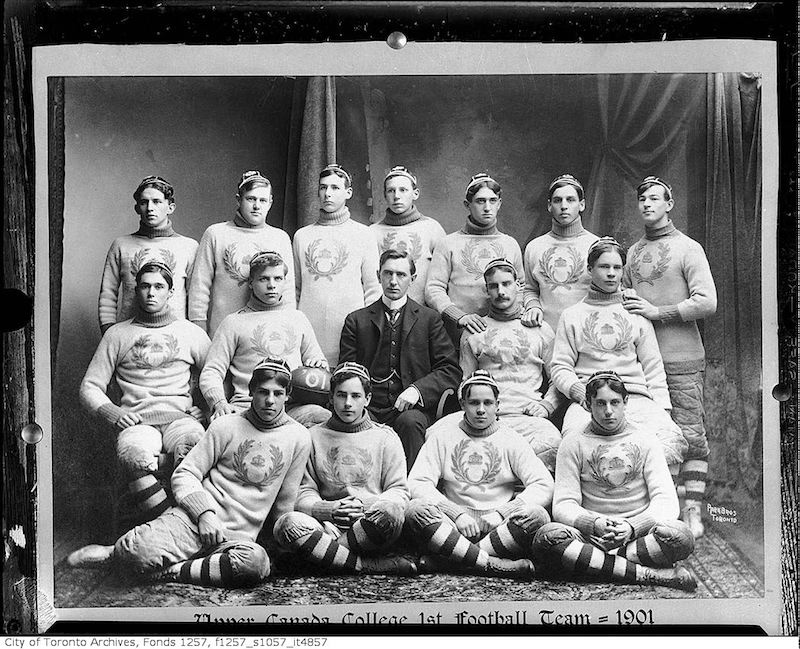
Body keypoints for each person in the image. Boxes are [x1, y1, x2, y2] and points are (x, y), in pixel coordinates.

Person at [68, 358, 312, 589]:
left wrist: (282, 547)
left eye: (278, 394)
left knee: (255, 565)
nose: (270, 400)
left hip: (237, 539)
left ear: (287, 395)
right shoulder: (226, 425)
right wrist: (205, 514)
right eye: (263, 392)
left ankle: (170, 571)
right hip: (196, 521)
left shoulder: (299, 437)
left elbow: (285, 503)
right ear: (251, 391)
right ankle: (116, 552)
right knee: (134, 555)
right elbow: (185, 473)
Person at [532, 371, 697, 591]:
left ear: (625, 402)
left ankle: (597, 564)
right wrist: (595, 524)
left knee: (681, 536)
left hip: (636, 535)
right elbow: (563, 504)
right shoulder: (573, 443)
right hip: (591, 536)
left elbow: (666, 500)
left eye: (615, 402)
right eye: (600, 403)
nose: (608, 411)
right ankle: (650, 574)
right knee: (546, 538)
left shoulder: (646, 439)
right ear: (587, 404)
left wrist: (631, 527)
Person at [622, 176, 717, 538]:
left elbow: (707, 301)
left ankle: (691, 512)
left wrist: (657, 312)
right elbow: (628, 301)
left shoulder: (688, 248)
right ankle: (664, 510)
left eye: (655, 198)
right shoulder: (631, 252)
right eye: (642, 198)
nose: (647, 204)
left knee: (690, 436)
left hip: (680, 356)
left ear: (669, 204)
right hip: (639, 363)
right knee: (653, 437)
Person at [80, 262, 211, 522]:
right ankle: (168, 523)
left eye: (159, 286)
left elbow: (216, 375)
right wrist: (112, 412)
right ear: (136, 291)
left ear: (170, 293)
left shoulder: (190, 333)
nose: (151, 293)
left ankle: (174, 525)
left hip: (180, 419)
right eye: (145, 286)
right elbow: (89, 386)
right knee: (133, 457)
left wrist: (206, 408)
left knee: (196, 448)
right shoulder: (117, 334)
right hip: (138, 422)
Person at [549, 237, 688, 474]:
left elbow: (653, 367)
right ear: (590, 269)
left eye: (617, 267)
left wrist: (662, 410)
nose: (611, 274)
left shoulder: (636, 312)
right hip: (589, 401)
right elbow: (560, 367)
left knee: (670, 441)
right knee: (575, 446)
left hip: (635, 398)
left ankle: (659, 507)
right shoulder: (573, 315)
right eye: (604, 267)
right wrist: (578, 391)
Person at [405, 370, 554, 579]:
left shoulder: (511, 439)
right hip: (454, 526)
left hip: (498, 528)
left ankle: (452, 559)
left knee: (538, 516)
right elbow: (417, 482)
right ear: (463, 405)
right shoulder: (443, 436)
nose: (481, 410)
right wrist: (456, 514)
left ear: (497, 405)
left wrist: (502, 513)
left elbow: (543, 484)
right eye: (474, 403)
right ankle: (491, 563)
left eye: (488, 403)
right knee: (415, 510)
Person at [274, 362, 416, 576]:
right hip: (327, 526)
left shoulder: (386, 437)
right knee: (287, 524)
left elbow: (399, 491)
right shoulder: (312, 436)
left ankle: (325, 556)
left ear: (367, 399)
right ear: (331, 398)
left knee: (391, 512)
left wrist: (363, 506)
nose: (347, 403)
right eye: (341, 395)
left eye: (356, 396)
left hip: (369, 524)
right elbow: (303, 492)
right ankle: (366, 566)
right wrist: (328, 511)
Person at [339, 249, 462, 468]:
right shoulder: (356, 321)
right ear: (378, 276)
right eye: (388, 274)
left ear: (412, 279)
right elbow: (345, 372)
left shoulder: (429, 320)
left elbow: (450, 370)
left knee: (410, 422)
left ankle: (414, 488)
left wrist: (417, 390)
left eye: (401, 275)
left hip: (413, 409)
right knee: (362, 423)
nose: (393, 281)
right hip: (370, 406)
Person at [455, 257, 563, 472]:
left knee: (552, 442)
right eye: (493, 286)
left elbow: (557, 380)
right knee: (439, 436)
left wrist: (546, 405)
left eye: (506, 284)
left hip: (527, 417)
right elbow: (465, 382)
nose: (500, 291)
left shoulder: (540, 329)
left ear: (518, 286)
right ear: (487, 290)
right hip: (485, 415)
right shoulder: (475, 330)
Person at [199, 251, 330, 428]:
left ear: (285, 281)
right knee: (223, 427)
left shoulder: (298, 318)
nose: (271, 285)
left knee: (322, 418)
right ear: (251, 283)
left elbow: (319, 362)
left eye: (277, 279)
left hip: (291, 407)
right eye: (263, 279)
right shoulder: (233, 322)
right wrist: (219, 403)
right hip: (247, 406)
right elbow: (211, 371)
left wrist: (318, 365)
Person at [293, 163, 381, 367]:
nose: (327, 194)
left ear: (348, 192)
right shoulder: (302, 236)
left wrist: (367, 332)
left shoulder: (363, 234)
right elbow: (295, 290)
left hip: (350, 330)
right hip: (310, 329)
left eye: (335, 188)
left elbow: (373, 289)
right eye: (323, 188)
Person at [188, 170, 295, 337]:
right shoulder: (216, 233)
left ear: (270, 203)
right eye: (251, 199)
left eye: (262, 200)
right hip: (222, 329)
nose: (256, 206)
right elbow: (200, 286)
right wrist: (198, 326)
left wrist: (288, 327)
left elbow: (287, 289)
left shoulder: (279, 237)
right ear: (239, 199)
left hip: (266, 330)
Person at [425, 173, 524, 343]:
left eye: (492, 201)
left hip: (502, 335)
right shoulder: (448, 243)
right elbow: (433, 289)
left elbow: (521, 287)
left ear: (499, 204)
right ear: (468, 205)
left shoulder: (510, 243)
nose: (487, 207)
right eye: (480, 201)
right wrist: (459, 317)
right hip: (457, 333)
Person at [98, 175, 198, 334]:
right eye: (144, 202)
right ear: (137, 208)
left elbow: (196, 299)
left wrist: (194, 335)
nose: (150, 208)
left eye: (157, 201)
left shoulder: (188, 246)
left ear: (170, 207)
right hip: (129, 334)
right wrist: (109, 332)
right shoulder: (121, 245)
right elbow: (107, 295)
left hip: (176, 336)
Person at [522, 174, 599, 331]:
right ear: (550, 206)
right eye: (558, 200)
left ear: (582, 205)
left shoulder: (596, 246)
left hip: (585, 332)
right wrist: (533, 307)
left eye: (570, 200)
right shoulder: (534, 247)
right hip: (545, 332)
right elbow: (529, 289)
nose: (564, 206)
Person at [370, 165, 446, 305]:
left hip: (424, 314)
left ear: (415, 193)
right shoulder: (372, 232)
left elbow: (442, 279)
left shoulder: (432, 228)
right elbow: (371, 281)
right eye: (391, 191)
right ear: (385, 195)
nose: (397, 196)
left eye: (403, 190)